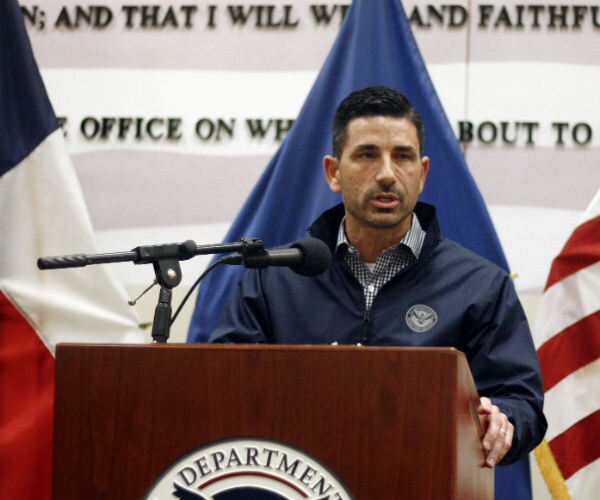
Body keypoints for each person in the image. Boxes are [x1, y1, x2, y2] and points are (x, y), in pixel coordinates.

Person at [209, 86, 547, 467]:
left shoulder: (480, 285)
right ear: (333, 173)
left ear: (421, 174)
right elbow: (226, 388)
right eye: (367, 155)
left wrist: (503, 421)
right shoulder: (274, 278)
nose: (387, 174)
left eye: (402, 156)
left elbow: (521, 402)